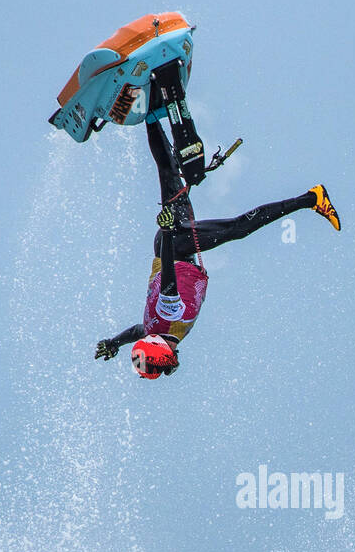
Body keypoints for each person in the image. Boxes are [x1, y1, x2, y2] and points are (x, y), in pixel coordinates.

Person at [95, 121, 341, 378]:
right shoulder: (157, 330)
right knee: (168, 175)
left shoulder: (167, 318)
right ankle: (152, 110)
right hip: (171, 245)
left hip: (174, 246)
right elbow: (138, 331)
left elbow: (168, 273)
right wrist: (114, 342)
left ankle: (311, 199)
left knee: (236, 229)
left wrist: (168, 232)